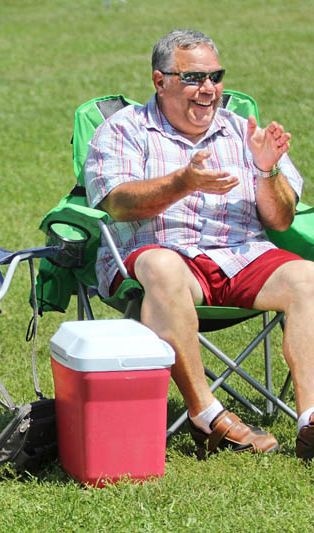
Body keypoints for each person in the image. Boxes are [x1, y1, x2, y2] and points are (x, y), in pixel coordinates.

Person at [85, 29, 314, 459]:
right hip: (163, 255)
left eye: (215, 76)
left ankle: (310, 421)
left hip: (241, 255)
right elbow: (118, 203)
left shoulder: (242, 132)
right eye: (192, 78)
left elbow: (281, 218)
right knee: (162, 267)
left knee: (309, 277)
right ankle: (206, 415)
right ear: (160, 81)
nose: (208, 89)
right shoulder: (125, 129)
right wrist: (183, 181)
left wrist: (266, 171)